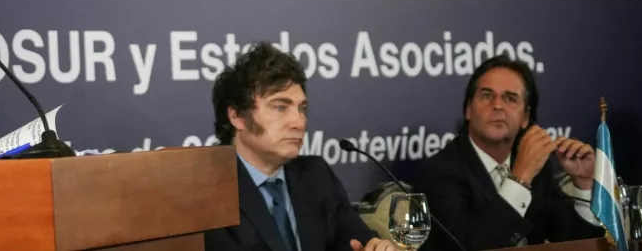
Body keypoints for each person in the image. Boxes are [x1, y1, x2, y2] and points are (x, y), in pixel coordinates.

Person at [204, 42, 396, 251]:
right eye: (280, 107)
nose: (299, 122)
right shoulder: (206, 191)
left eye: (302, 108)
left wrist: (376, 247)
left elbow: (358, 240)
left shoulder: (316, 175)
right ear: (237, 116)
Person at [414, 55, 604, 250]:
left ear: (525, 117)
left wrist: (585, 183)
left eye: (510, 98)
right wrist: (520, 179)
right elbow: (468, 246)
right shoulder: (439, 173)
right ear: (468, 110)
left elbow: (576, 242)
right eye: (487, 95)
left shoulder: (536, 165)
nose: (497, 105)